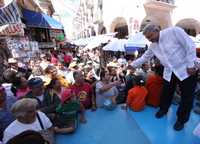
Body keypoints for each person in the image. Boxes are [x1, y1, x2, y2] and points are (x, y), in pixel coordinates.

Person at [128, 23, 198, 131]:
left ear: (156, 30)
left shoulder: (174, 31)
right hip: (169, 72)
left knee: (187, 97)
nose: (150, 39)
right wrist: (132, 65)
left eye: (150, 36)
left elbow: (189, 45)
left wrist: (190, 65)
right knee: (166, 92)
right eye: (147, 38)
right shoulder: (153, 45)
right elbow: (145, 57)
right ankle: (163, 110)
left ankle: (181, 120)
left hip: (186, 70)